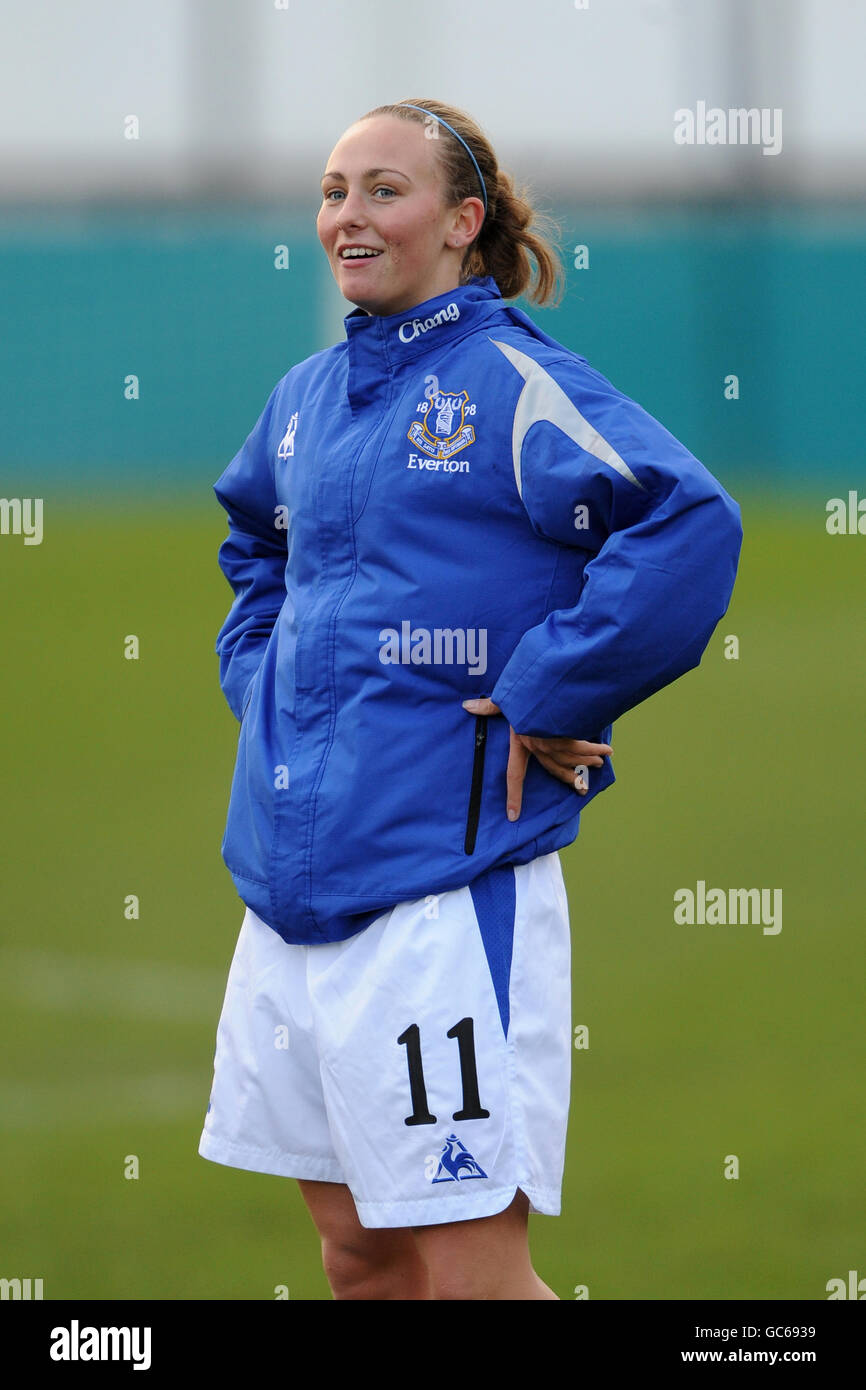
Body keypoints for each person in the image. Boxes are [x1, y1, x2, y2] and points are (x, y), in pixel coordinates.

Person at [198, 96, 742, 1300]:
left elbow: (686, 522)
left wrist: (552, 686)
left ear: (462, 223)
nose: (348, 215)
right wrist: (271, 688)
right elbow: (255, 549)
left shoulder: (508, 381)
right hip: (286, 890)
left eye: (384, 190)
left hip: (438, 896)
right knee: (359, 1254)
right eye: (335, 190)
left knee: (472, 1277)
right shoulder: (301, 398)